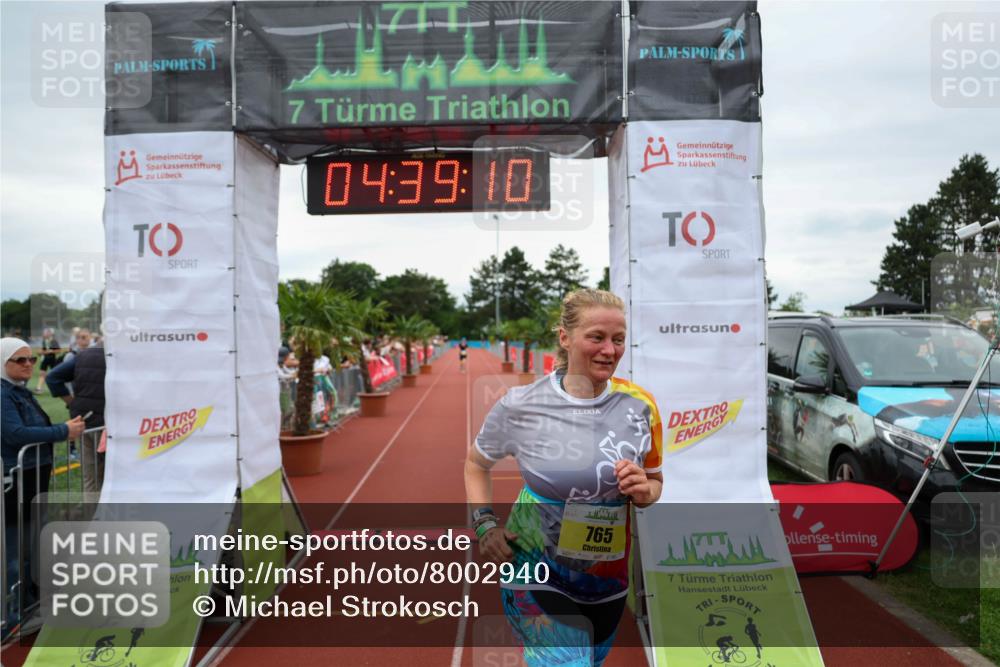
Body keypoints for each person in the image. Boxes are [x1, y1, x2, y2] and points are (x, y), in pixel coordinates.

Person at [464, 289, 664, 667]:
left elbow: (655, 484)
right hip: (535, 567)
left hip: (608, 577)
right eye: (597, 337)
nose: (610, 350)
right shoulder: (521, 405)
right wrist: (484, 523)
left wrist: (644, 490)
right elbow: (476, 464)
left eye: (618, 340)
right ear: (564, 338)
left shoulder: (641, 406)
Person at [1, 337, 85, 639]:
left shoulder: (17, 392)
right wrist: (64, 431)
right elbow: (14, 433)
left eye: (30, 360)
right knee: (17, 545)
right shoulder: (2, 394)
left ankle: (32, 603)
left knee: (35, 539)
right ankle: (13, 615)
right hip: (15, 477)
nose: (28, 365)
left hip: (33, 473)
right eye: (19, 360)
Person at [45, 341, 106, 493]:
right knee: (109, 477)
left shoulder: (84, 354)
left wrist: (72, 403)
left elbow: (52, 377)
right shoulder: (122, 355)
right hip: (106, 425)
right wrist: (71, 402)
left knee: (90, 478)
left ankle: (93, 515)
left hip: (84, 421)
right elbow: (52, 378)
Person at [34, 328, 61, 394]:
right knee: (42, 374)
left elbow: (58, 350)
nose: (44, 334)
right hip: (44, 359)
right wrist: (40, 353)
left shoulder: (54, 341)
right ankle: (39, 388)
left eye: (46, 332)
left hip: (52, 360)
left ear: (50, 334)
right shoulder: (44, 341)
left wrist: (49, 351)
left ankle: (59, 388)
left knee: (55, 374)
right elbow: (43, 350)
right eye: (44, 332)